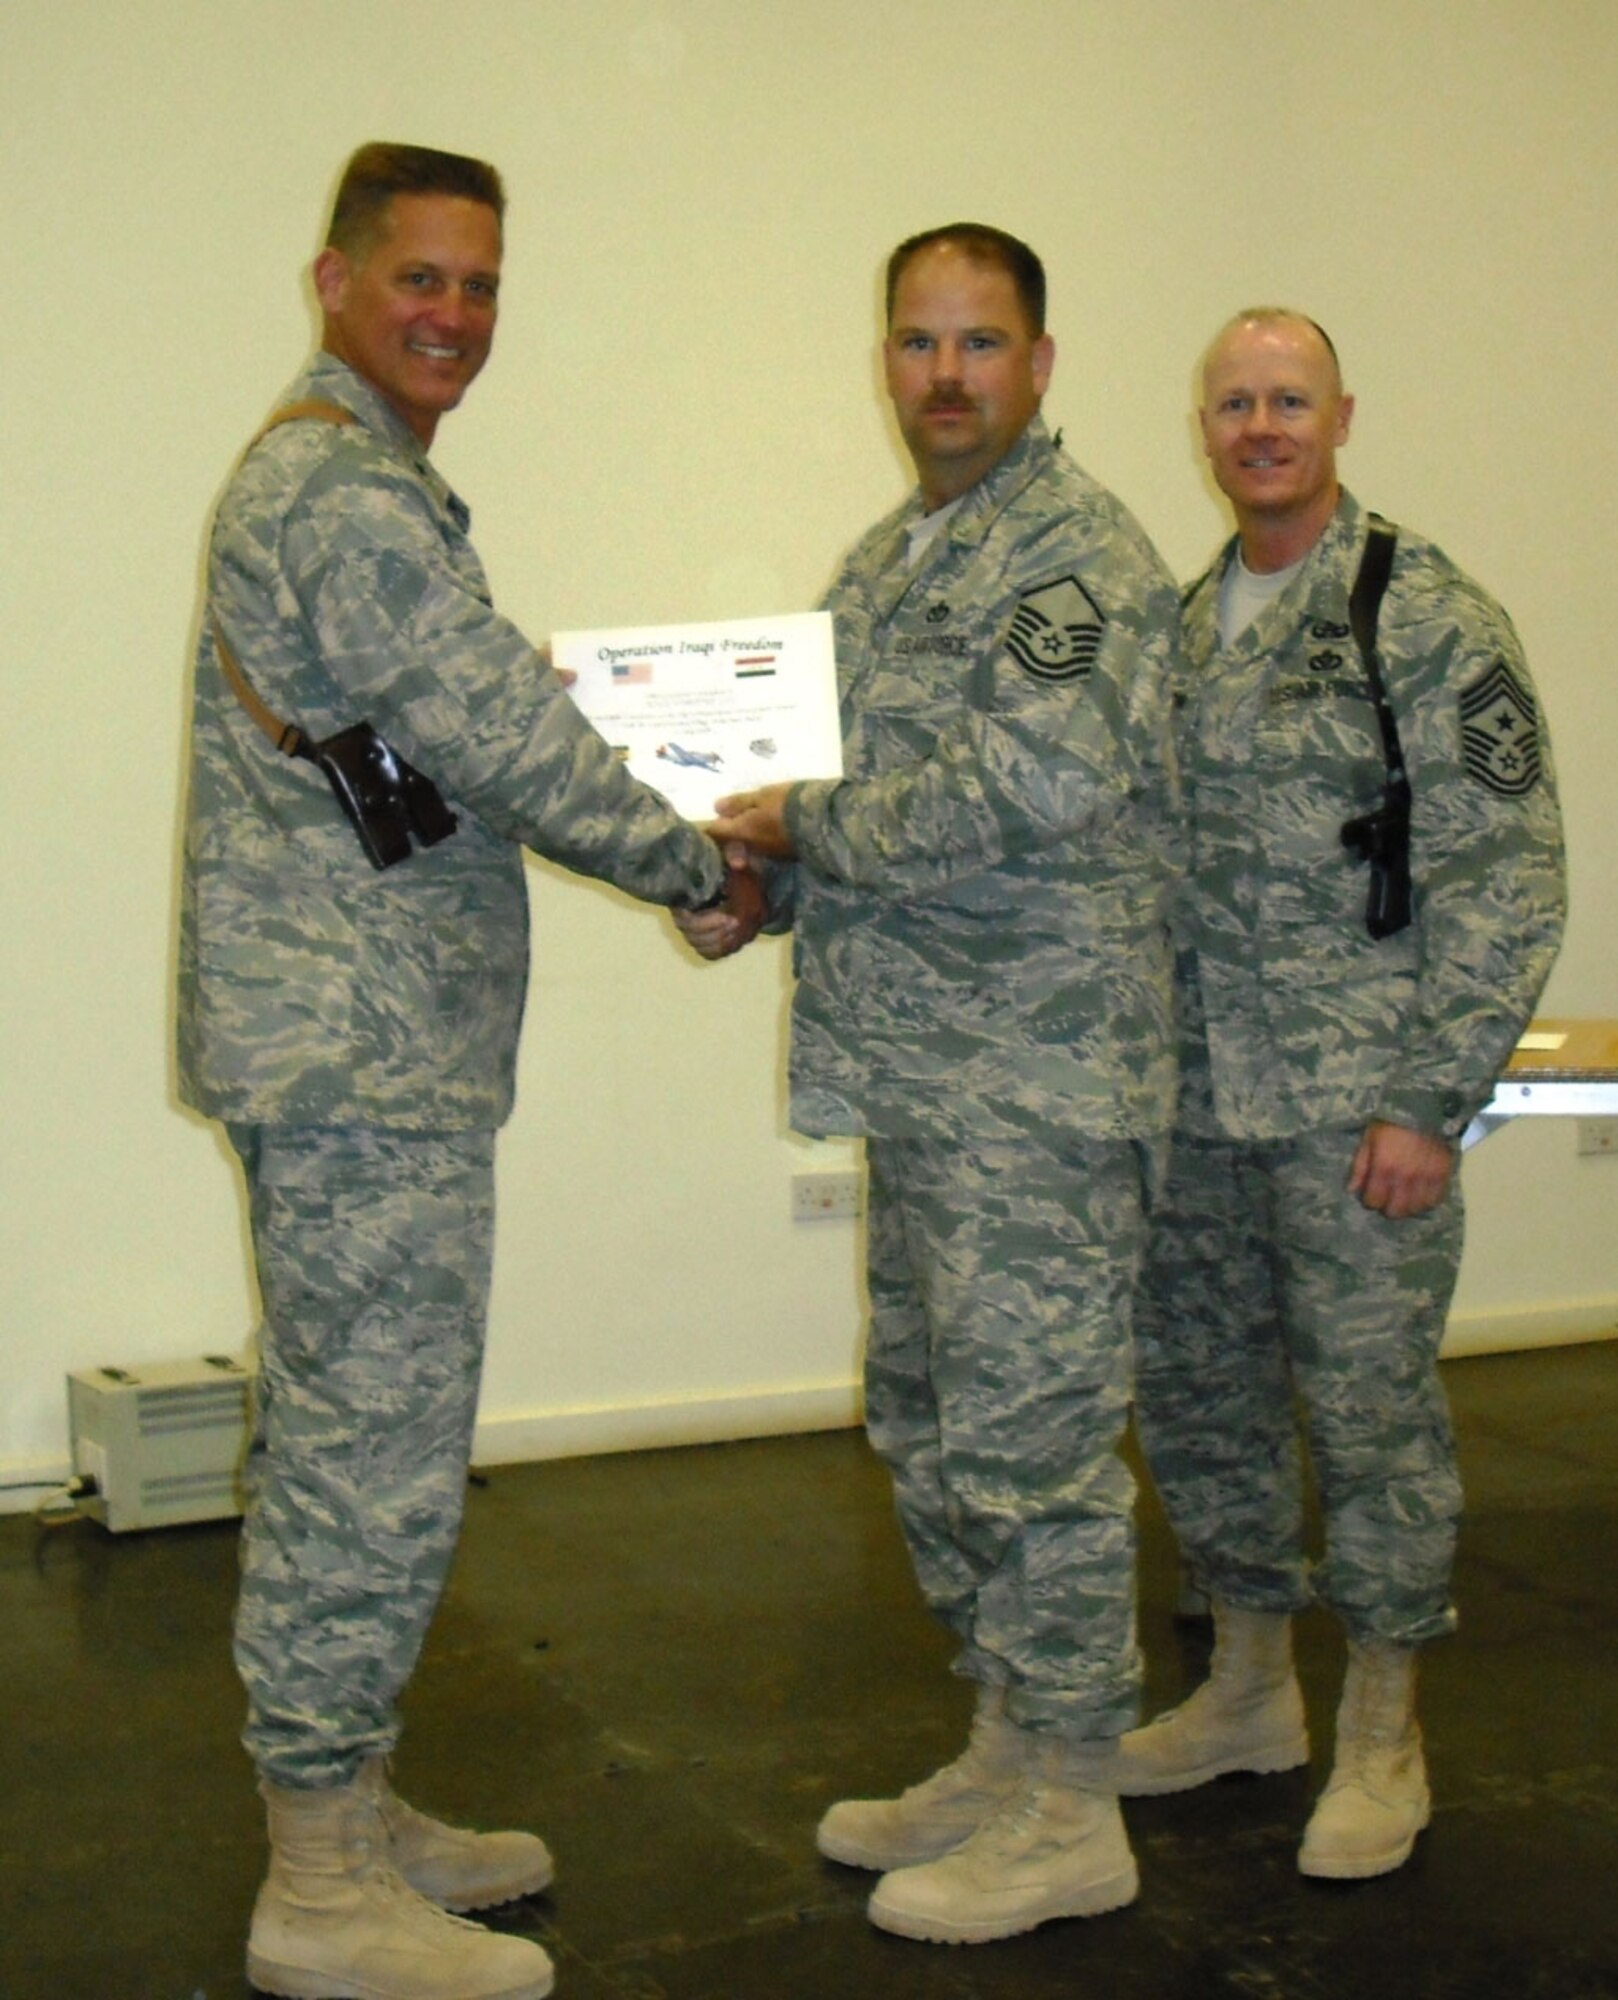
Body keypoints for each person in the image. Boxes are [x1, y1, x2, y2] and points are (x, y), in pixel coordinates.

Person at [177, 143, 759, 2000]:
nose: (453, 316)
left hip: (360, 1054)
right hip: (359, 1065)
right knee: (370, 1454)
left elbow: (480, 714)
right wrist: (703, 858)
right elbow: (506, 731)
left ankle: (349, 1807)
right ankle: (318, 1896)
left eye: (482, 286)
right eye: (420, 278)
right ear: (333, 280)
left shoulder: (366, 480)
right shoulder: (342, 493)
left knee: (355, 1433)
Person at [684, 224, 1182, 1944]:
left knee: (1035, 1451)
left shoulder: (1077, 564)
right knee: (928, 1425)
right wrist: (751, 887)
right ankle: (1002, 1738)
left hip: (1035, 1090)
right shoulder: (887, 564)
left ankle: (1072, 1806)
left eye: (979, 344)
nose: (944, 377)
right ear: (883, 360)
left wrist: (796, 834)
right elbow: (807, 777)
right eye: (916, 342)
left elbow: (1008, 788)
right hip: (920, 1081)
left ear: (1039, 363)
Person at [1112, 309, 1566, 1880]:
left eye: (1286, 400)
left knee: (1370, 1423)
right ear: (1203, 427)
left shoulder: (1422, 614)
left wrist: (1428, 1101)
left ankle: (1380, 1724)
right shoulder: (1177, 629)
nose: (1259, 426)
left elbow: (1509, 875)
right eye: (1232, 402)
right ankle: (1247, 1689)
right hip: (1193, 1110)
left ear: (1340, 417)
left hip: (1353, 1107)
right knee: (1204, 1404)